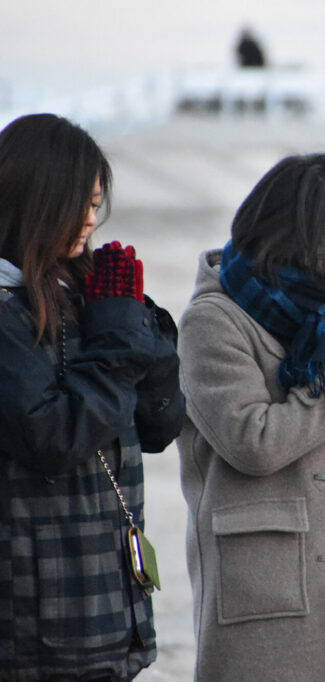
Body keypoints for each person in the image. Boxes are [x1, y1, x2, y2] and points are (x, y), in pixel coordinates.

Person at [176, 153, 325, 680]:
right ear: (274, 234)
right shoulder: (213, 319)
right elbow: (252, 442)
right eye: (321, 255)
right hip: (265, 597)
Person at [0, 113, 185, 679]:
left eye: (96, 203)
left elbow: (159, 427)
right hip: (41, 613)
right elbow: (54, 435)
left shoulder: (83, 293)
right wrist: (117, 341)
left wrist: (135, 322)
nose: (89, 219)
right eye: (77, 203)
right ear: (34, 201)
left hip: (109, 600)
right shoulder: (7, 311)